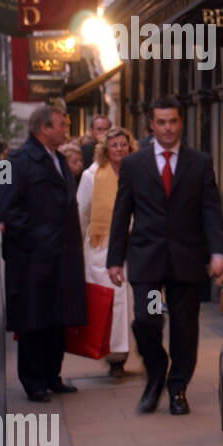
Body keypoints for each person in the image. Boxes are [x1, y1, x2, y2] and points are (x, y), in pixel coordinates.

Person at [107, 96, 223, 415]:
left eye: (173, 121)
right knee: (147, 321)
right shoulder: (135, 165)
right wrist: (114, 259)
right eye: (161, 122)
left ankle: (177, 390)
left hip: (186, 263)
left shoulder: (199, 162)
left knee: (184, 328)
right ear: (151, 125)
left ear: (180, 123)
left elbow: (211, 210)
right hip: (148, 263)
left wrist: (219, 251)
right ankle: (156, 369)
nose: (167, 128)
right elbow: (122, 213)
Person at [0, 105, 87, 401]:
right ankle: (33, 381)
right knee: (33, 322)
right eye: (61, 125)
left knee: (56, 320)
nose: (66, 130)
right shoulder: (15, 161)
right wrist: (37, 242)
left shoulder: (60, 160)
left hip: (62, 257)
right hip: (32, 260)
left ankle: (53, 375)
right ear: (44, 129)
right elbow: (9, 210)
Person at [77, 126, 138, 379]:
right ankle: (112, 356)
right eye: (114, 145)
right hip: (100, 247)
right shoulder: (91, 176)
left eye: (123, 145)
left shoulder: (138, 172)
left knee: (133, 303)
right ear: (105, 149)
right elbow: (80, 212)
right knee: (108, 303)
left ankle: (129, 352)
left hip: (132, 246)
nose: (119, 149)